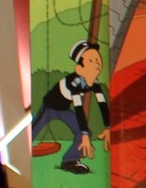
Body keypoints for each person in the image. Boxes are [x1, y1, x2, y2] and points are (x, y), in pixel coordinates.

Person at [31, 40, 107, 174]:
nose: (96, 63)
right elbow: (78, 107)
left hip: (64, 109)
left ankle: (70, 161)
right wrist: (84, 134)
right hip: (49, 107)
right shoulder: (74, 83)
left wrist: (108, 126)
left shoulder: (94, 83)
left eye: (97, 60)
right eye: (91, 61)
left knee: (85, 133)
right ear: (79, 69)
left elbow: (102, 103)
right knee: (33, 130)